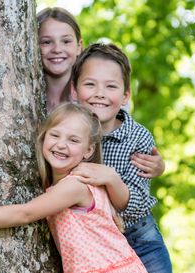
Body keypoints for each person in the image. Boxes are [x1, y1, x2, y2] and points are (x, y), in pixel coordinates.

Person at [0, 103, 149, 273]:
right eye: (55, 135)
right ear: (44, 136)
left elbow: (25, 213)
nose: (61, 145)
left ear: (88, 150)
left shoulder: (75, 185)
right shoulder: (64, 185)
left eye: (73, 140)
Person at [69, 43, 174, 273]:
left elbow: (137, 203)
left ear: (125, 95)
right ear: (74, 90)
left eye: (111, 86)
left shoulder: (137, 137)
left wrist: (110, 177)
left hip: (139, 239)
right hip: (93, 242)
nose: (100, 93)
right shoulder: (68, 134)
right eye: (89, 84)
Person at [36, 6, 164, 178]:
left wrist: (158, 166)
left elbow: (121, 138)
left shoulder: (92, 94)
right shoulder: (23, 93)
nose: (57, 48)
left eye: (66, 41)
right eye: (46, 42)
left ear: (79, 45)